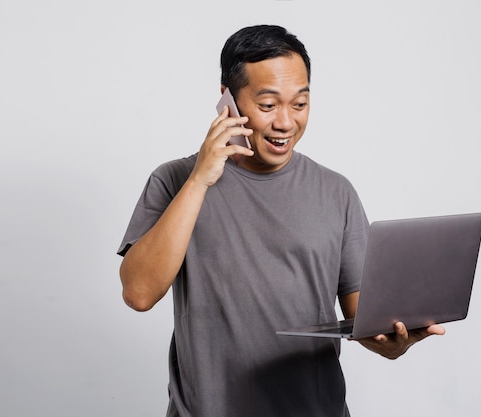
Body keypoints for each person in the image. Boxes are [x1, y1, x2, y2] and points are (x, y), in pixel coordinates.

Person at [117, 24, 445, 417]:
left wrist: (394, 342)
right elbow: (138, 293)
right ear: (227, 99)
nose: (286, 123)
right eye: (268, 105)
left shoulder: (335, 192)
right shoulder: (173, 180)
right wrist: (201, 178)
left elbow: (364, 321)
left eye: (300, 104)